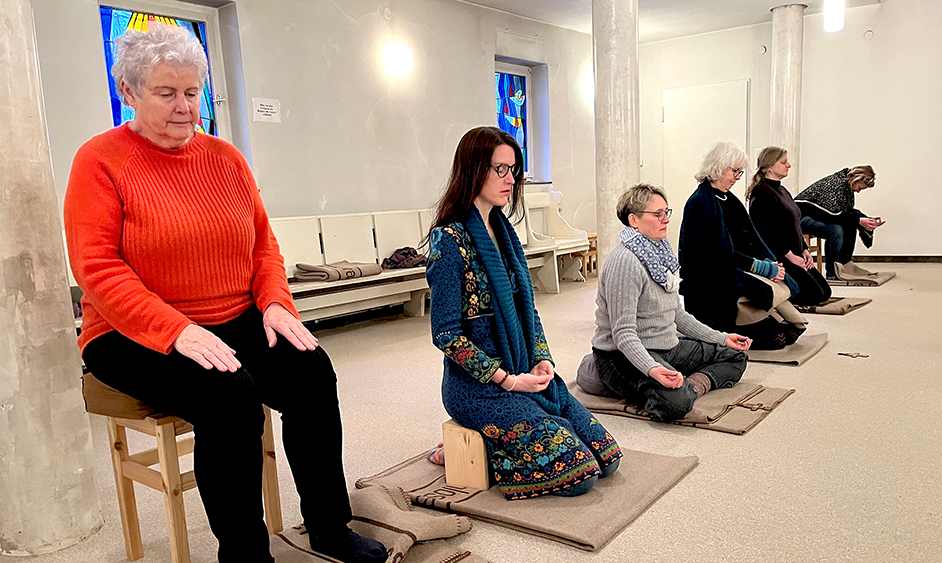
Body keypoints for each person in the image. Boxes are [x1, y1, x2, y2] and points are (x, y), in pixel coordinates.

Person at [63, 24, 385, 563]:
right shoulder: (100, 160)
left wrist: (276, 301)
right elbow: (97, 268)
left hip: (232, 316)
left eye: (193, 92)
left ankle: (329, 527)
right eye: (167, 93)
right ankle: (243, 554)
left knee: (312, 372)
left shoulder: (226, 159)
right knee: (230, 398)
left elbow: (263, 244)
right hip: (128, 331)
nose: (185, 106)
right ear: (129, 93)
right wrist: (176, 330)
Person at [424, 126, 622, 500]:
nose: (510, 180)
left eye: (513, 170)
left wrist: (543, 360)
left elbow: (528, 311)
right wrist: (508, 380)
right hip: (478, 388)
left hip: (523, 369)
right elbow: (446, 334)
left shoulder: (506, 233)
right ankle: (481, 448)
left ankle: (503, 436)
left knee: (607, 456)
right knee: (579, 474)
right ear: (473, 169)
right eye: (499, 169)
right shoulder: (448, 241)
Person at [579, 184, 750, 422]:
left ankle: (687, 385)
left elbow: (676, 314)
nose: (665, 219)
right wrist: (652, 369)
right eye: (657, 214)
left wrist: (722, 338)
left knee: (735, 355)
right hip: (620, 355)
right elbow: (624, 334)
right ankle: (596, 371)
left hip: (665, 347)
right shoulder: (625, 262)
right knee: (677, 404)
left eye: (666, 212)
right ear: (634, 220)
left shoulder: (661, 253)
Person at [678, 141, 804, 350]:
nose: (737, 178)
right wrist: (760, 267)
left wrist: (772, 263)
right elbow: (717, 255)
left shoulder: (728, 199)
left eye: (740, 172)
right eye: (735, 171)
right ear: (718, 167)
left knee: (792, 325)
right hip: (710, 283)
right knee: (778, 337)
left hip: (730, 270)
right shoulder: (701, 202)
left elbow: (751, 238)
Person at [747, 147, 833, 305]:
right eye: (784, 162)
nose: (789, 165)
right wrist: (790, 256)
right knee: (815, 295)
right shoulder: (761, 193)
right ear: (770, 166)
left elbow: (794, 223)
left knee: (826, 291)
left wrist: (804, 250)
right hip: (779, 256)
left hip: (796, 253)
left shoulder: (782, 190)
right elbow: (766, 233)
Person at [795, 165, 884, 279]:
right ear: (857, 179)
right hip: (800, 218)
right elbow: (831, 214)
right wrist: (858, 220)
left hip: (817, 216)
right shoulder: (836, 184)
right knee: (836, 230)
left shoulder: (847, 184)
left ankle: (844, 264)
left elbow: (846, 212)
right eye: (860, 188)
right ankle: (832, 273)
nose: (858, 191)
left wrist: (866, 220)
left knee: (850, 222)